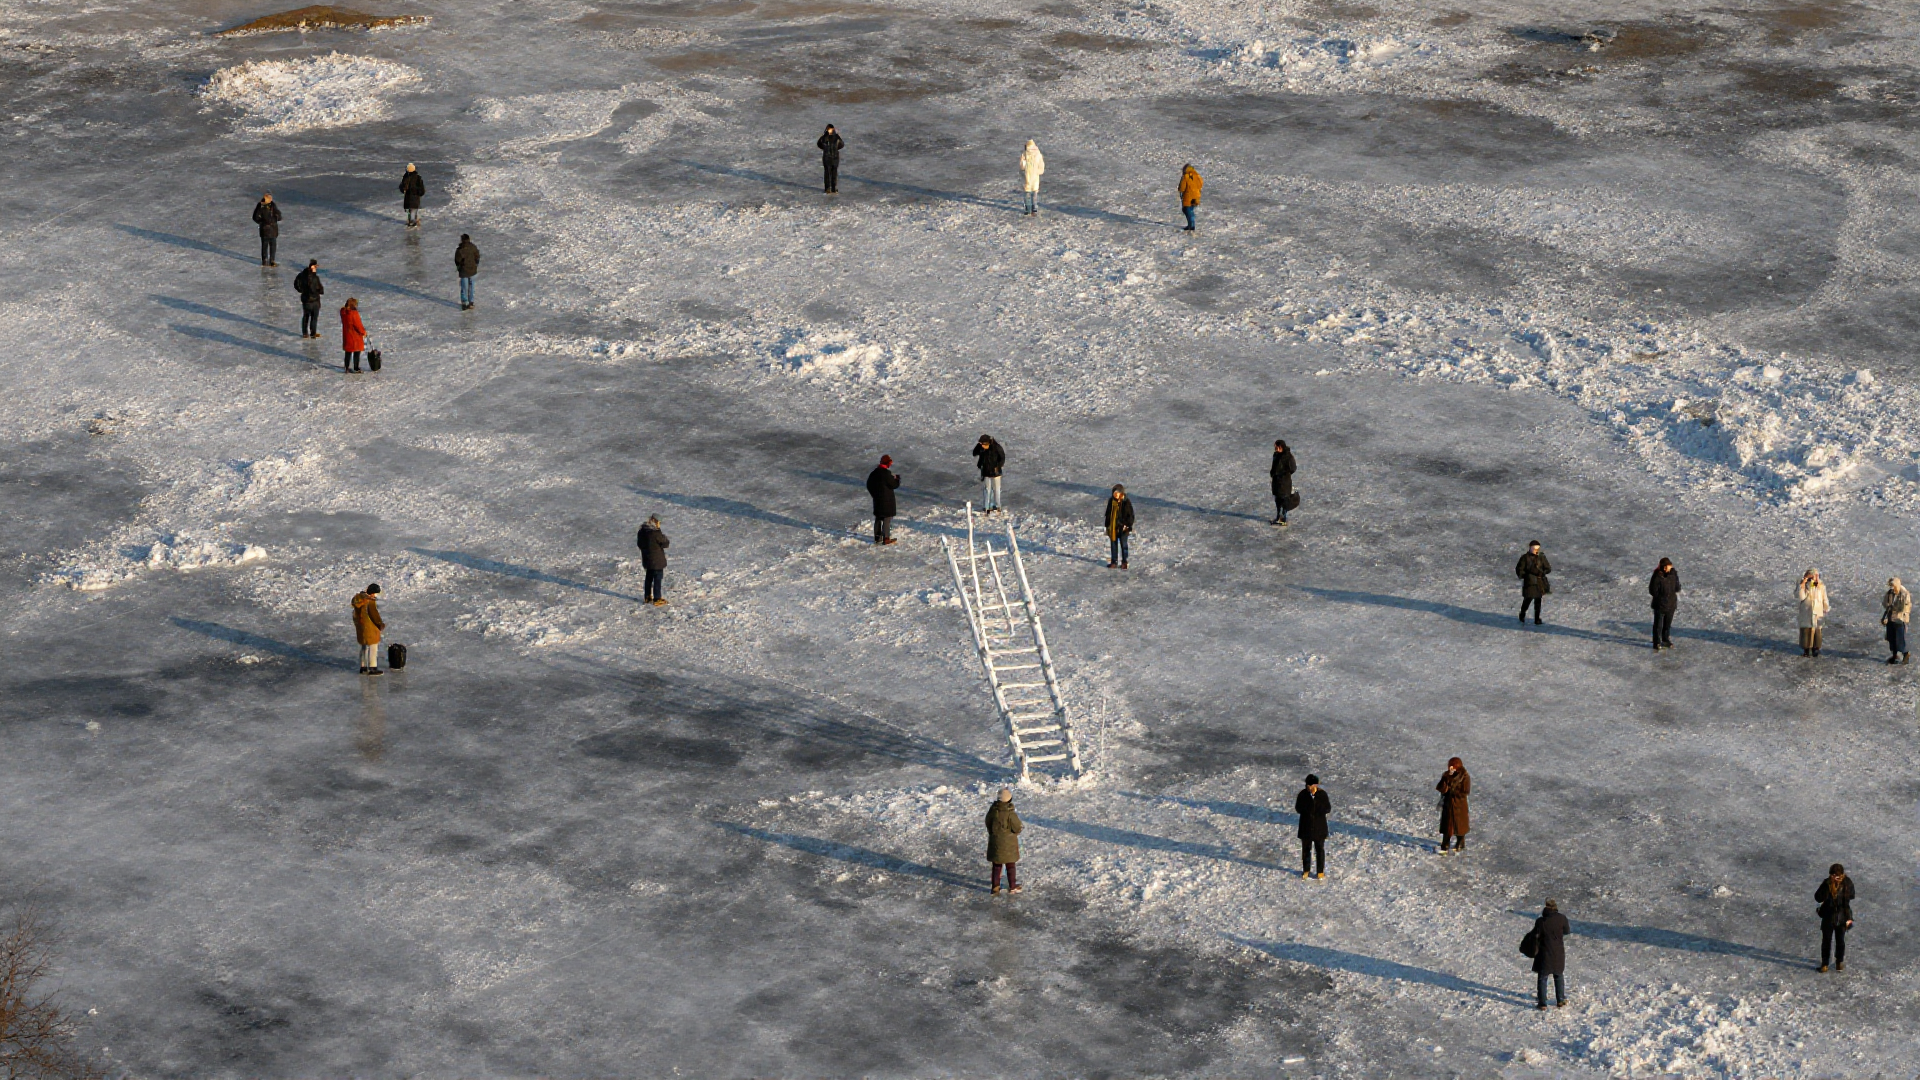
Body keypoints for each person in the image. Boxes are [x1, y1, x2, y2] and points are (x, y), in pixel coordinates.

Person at [1815, 863, 1854, 972]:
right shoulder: (1828, 883)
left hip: (1839, 916)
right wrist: (1829, 887)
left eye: (1836, 875)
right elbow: (1818, 897)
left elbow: (1852, 895)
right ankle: (1828, 964)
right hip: (1834, 916)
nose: (1834, 877)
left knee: (1838, 941)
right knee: (1829, 941)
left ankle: (1836, 963)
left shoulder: (1845, 883)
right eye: (1832, 875)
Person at [1530, 900, 1570, 1008]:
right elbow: (1567, 931)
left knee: (1543, 978)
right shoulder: (1562, 918)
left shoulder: (1540, 921)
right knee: (1558, 976)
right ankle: (1560, 1000)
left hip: (1544, 954)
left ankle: (1542, 1003)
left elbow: (1535, 934)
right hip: (1558, 953)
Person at [986, 788, 1023, 895]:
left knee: (997, 866)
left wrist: (992, 833)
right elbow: (1017, 827)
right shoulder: (1010, 813)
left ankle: (995, 887)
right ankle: (1012, 886)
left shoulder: (993, 810)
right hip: (1009, 844)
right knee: (1010, 865)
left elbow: (987, 821)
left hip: (995, 842)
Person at [1295, 774, 1330, 879]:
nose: (1312, 787)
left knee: (1319, 850)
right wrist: (1309, 806)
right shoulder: (1302, 795)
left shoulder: (1322, 795)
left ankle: (1320, 871)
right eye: (1310, 785)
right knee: (1306, 850)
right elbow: (1298, 808)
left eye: (1314, 785)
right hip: (1306, 827)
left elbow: (1327, 808)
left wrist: (1316, 803)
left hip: (1319, 828)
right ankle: (1306, 870)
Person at [1436, 757, 1469, 853]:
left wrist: (1453, 792)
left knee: (1459, 825)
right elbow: (1440, 787)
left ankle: (1460, 842)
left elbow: (1465, 791)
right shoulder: (1446, 775)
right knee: (1447, 826)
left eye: (1453, 766)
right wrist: (1446, 778)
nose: (1451, 768)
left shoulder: (1464, 776)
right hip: (1448, 805)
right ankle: (1445, 844)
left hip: (1459, 805)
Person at [352, 583, 385, 675]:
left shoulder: (359, 598)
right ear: (372, 593)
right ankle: (372, 667)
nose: (375, 595)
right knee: (373, 646)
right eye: (375, 593)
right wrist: (380, 624)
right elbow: (373, 614)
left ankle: (363, 667)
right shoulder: (369, 601)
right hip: (370, 627)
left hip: (361, 626)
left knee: (364, 646)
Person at [866, 455, 899, 545]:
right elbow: (894, 485)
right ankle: (886, 538)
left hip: (877, 500)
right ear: (888, 463)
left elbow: (869, 485)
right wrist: (897, 479)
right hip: (887, 500)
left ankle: (877, 538)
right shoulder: (887, 474)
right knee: (887, 518)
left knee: (878, 518)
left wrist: (874, 495)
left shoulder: (874, 473)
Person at [1649, 558, 1680, 650]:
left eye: (1669, 567)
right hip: (1660, 605)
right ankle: (1657, 642)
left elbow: (1677, 587)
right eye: (1666, 567)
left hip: (1671, 604)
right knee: (1658, 625)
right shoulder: (1657, 576)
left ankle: (1665, 639)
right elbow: (1652, 590)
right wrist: (1661, 597)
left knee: (1667, 624)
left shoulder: (1673, 574)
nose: (1668, 568)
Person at [1516, 541, 1551, 624]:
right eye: (1534, 548)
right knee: (1527, 599)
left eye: (1537, 548)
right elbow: (1519, 569)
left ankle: (1537, 618)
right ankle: (1522, 614)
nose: (1536, 550)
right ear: (1530, 547)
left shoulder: (1541, 557)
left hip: (1539, 582)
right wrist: (1526, 576)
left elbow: (1548, 568)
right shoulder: (1525, 558)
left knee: (1538, 601)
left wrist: (1542, 572)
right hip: (1529, 583)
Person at [638, 515, 669, 606]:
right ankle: (657, 598)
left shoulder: (642, 531)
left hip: (647, 559)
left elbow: (639, 544)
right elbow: (665, 543)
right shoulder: (655, 533)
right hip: (657, 560)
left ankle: (647, 596)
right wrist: (659, 531)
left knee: (648, 578)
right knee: (657, 579)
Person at [1797, 568, 1829, 657]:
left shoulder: (1821, 586)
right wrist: (1803, 584)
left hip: (1817, 612)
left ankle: (1816, 648)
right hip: (1807, 612)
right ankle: (1806, 649)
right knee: (1806, 631)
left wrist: (1825, 607)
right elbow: (1801, 597)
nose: (1815, 578)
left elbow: (1824, 597)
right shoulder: (1805, 586)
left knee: (1816, 631)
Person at [972, 435, 1006, 512]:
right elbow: (974, 453)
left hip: (995, 472)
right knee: (987, 489)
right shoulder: (981, 448)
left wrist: (998, 466)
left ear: (989, 443)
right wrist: (978, 446)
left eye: (984, 445)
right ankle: (987, 506)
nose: (983, 446)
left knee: (996, 489)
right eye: (982, 445)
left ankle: (997, 506)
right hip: (986, 471)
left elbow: (1002, 458)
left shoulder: (996, 447)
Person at [1881, 577, 1910, 664]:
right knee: (1891, 638)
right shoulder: (1890, 593)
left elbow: (1904, 608)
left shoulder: (1904, 594)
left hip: (1899, 619)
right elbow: (1885, 603)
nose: (1891, 588)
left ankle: (1906, 654)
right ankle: (1894, 655)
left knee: (1899, 639)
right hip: (1891, 618)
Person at [1104, 485, 1134, 569]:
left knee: (1123, 545)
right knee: (1113, 545)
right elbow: (1108, 514)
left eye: (1118, 493)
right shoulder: (1111, 501)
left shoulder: (1126, 502)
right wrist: (1107, 525)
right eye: (1115, 493)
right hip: (1113, 527)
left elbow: (1130, 515)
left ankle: (1124, 562)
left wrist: (1127, 525)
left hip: (1123, 528)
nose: (1116, 495)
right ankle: (1114, 562)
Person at [294, 260, 324, 338]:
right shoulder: (315, 278)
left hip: (306, 300)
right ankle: (313, 333)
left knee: (306, 316)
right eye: (315, 267)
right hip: (314, 301)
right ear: (312, 267)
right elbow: (320, 289)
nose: (316, 269)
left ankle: (305, 333)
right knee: (314, 318)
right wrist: (320, 291)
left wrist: (301, 290)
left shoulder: (301, 275)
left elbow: (296, 284)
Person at [1270, 439, 1296, 525]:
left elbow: (1293, 468)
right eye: (1275, 448)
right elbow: (1274, 466)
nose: (1276, 449)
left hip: (1284, 482)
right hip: (1276, 482)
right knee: (1278, 500)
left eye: (1277, 447)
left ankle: (1283, 519)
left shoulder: (1288, 456)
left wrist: (1284, 474)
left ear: (1281, 447)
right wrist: (1273, 473)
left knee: (1284, 500)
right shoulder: (1276, 455)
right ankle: (1278, 517)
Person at [252, 193, 281, 266]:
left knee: (273, 246)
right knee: (265, 245)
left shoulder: (272, 205)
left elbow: (278, 214)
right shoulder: (260, 206)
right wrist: (262, 222)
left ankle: (272, 260)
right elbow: (255, 217)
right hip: (265, 230)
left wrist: (276, 217)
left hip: (273, 229)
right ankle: (264, 260)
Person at [340, 297, 367, 372]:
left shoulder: (343, 312)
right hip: (355, 336)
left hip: (347, 334)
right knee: (356, 351)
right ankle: (356, 367)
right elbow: (358, 325)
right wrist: (363, 332)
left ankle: (346, 367)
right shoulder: (354, 314)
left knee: (348, 352)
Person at [454, 234, 480, 310]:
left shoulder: (460, 249)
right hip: (473, 270)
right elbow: (477, 256)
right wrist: (475, 264)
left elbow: (457, 260)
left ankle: (465, 303)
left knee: (464, 287)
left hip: (464, 271)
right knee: (472, 286)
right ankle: (471, 302)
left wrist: (459, 267)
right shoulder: (473, 247)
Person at [1019, 139, 1044, 216]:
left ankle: (1031, 208)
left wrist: (1039, 171)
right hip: (1031, 177)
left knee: (1030, 194)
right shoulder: (1027, 154)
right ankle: (1031, 208)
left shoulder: (1034, 154)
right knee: (1031, 194)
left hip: (1031, 177)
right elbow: (1022, 166)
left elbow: (1041, 165)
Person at [817, 125, 843, 193]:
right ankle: (827, 188)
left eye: (831, 129)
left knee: (834, 173)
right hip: (827, 158)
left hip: (834, 158)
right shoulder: (824, 137)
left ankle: (834, 188)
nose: (830, 130)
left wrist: (835, 148)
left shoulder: (836, 137)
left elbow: (841, 144)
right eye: (829, 129)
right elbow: (819, 144)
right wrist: (825, 149)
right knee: (827, 173)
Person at [1178, 164, 1203, 231]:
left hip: (1188, 196)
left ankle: (1191, 226)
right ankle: (1191, 225)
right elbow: (1201, 183)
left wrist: (1180, 191)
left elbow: (1182, 188)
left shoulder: (1185, 177)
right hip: (1196, 196)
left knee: (1187, 210)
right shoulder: (1197, 175)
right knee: (1191, 209)